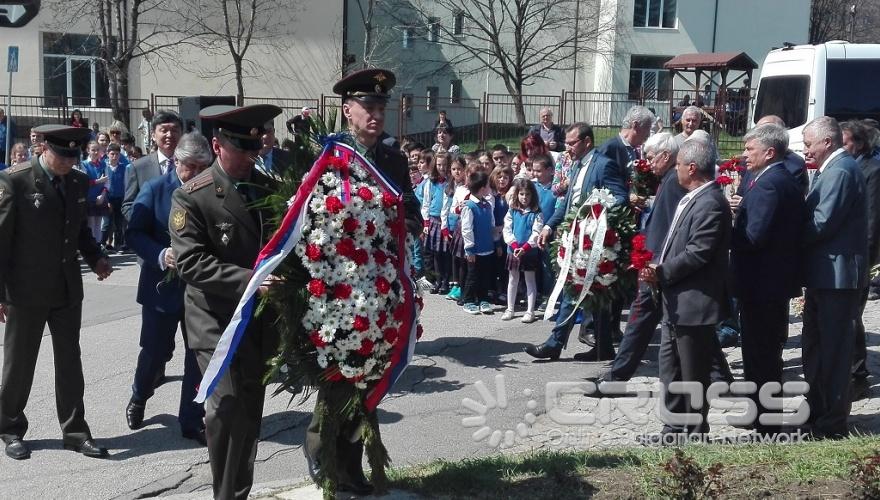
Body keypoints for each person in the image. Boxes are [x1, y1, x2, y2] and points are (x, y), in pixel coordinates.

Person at [304, 68, 422, 496]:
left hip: (381, 284)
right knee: (341, 373)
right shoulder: (330, 154)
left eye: (380, 107)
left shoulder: (392, 157)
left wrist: (410, 224)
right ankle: (321, 450)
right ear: (346, 110)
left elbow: (409, 205)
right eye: (366, 107)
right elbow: (310, 216)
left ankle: (350, 468)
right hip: (337, 286)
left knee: (369, 373)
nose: (375, 114)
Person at [170, 104, 283, 498]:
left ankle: (238, 490)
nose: (252, 155)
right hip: (214, 319)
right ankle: (227, 494)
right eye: (242, 147)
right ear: (218, 146)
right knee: (227, 403)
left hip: (258, 320)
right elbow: (190, 262)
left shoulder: (268, 189)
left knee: (250, 406)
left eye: (256, 146)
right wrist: (251, 282)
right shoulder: (193, 197)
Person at [0, 125, 113, 460]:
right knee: (19, 364)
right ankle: (9, 427)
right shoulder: (15, 181)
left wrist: (96, 258)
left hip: (65, 288)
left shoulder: (78, 180)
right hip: (24, 290)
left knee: (70, 363)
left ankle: (75, 431)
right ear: (44, 148)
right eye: (62, 155)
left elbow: (77, 229)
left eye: (73, 155)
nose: (68, 161)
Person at [637, 139, 731, 443]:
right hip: (675, 299)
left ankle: (694, 432)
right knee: (671, 369)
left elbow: (698, 253)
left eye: (677, 165)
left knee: (693, 373)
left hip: (695, 301)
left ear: (692, 167)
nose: (674, 169)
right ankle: (673, 428)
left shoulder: (711, 203)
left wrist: (661, 271)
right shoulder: (691, 197)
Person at [125, 132, 212, 446]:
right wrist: (161, 255)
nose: (197, 173)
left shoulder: (212, 190)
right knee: (155, 352)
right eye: (191, 166)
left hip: (199, 291)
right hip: (162, 289)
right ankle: (140, 394)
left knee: (197, 354)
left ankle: (191, 419)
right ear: (177, 162)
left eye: (203, 166)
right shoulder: (156, 189)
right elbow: (133, 233)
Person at [524, 122, 628, 361]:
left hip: (593, 241)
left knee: (574, 290)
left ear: (587, 142)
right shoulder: (576, 166)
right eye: (566, 143)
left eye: (572, 143)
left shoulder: (603, 164)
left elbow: (620, 197)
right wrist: (550, 225)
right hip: (574, 239)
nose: (567, 148)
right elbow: (569, 203)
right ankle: (603, 347)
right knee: (590, 292)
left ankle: (554, 343)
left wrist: (596, 214)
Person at [731, 124, 806, 436]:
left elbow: (753, 236)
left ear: (769, 152)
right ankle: (760, 413)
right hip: (771, 282)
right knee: (766, 353)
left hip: (761, 284)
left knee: (760, 354)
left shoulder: (769, 184)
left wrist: (724, 233)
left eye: (750, 149)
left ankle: (765, 420)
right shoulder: (778, 179)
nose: (745, 155)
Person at [800, 116, 867, 439]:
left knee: (835, 351)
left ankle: (832, 421)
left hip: (837, 277)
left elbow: (821, 222)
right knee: (818, 347)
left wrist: (785, 233)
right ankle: (818, 410)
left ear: (827, 142)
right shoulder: (834, 168)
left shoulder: (840, 170)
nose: (806, 150)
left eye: (809, 144)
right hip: (824, 274)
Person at [840, 120, 880, 402]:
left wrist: (864, 260)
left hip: (860, 256)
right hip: (848, 253)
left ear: (859, 143)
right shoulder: (851, 166)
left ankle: (857, 374)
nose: (842, 148)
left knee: (852, 314)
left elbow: (872, 219)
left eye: (845, 143)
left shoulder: (873, 170)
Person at [123, 110, 183, 221]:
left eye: (174, 130)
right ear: (153, 135)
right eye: (164, 130)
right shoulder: (138, 168)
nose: (169, 135)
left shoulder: (191, 166)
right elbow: (128, 205)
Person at [502, 178, 543, 322]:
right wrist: (514, 246)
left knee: (529, 280)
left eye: (527, 194)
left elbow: (536, 232)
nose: (524, 197)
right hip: (513, 251)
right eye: (521, 194)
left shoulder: (536, 212)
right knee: (513, 279)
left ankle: (530, 311)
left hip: (529, 252)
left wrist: (525, 248)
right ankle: (510, 309)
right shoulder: (512, 210)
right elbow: (507, 230)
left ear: (532, 196)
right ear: (517, 194)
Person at [460, 170, 498, 314]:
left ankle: (483, 299)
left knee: (485, 275)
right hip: (475, 250)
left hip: (487, 247)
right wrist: (469, 249)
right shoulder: (469, 207)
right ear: (482, 188)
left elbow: (492, 224)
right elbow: (466, 229)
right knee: (473, 276)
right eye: (488, 185)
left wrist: (496, 239)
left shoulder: (487, 205)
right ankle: (468, 300)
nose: (489, 188)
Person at [422, 151, 451, 294]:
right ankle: (437, 281)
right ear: (435, 165)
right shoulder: (430, 182)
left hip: (445, 221)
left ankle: (445, 281)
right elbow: (426, 203)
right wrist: (426, 222)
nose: (442, 167)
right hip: (433, 220)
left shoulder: (450, 182)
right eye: (439, 164)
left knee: (445, 254)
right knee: (434, 253)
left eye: (445, 164)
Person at [441, 156, 468, 302]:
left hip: (462, 226)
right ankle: (455, 284)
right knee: (453, 257)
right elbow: (445, 208)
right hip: (451, 226)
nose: (457, 172)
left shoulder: (467, 186)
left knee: (461, 257)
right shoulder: (449, 186)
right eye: (453, 169)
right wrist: (444, 227)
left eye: (459, 169)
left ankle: (460, 285)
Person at [103, 143, 128, 252]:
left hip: (120, 198)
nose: (114, 156)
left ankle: (119, 245)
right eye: (112, 154)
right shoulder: (104, 167)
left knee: (119, 223)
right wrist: (106, 200)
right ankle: (102, 245)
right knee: (107, 223)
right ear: (107, 154)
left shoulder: (124, 168)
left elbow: (126, 184)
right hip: (108, 198)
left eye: (117, 154)